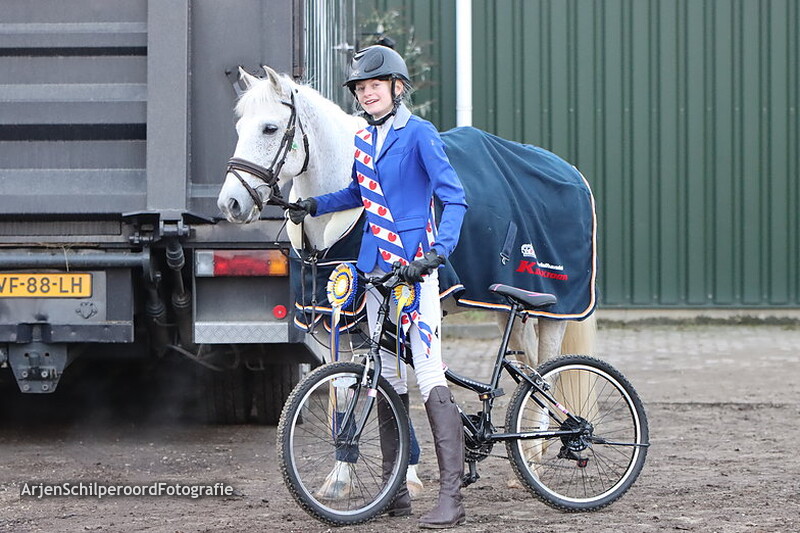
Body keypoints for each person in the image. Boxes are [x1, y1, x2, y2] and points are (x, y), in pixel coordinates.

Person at [287, 45, 468, 529]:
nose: (366, 93)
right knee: (385, 375)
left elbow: (454, 198)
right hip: (374, 271)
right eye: (360, 88)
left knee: (428, 372)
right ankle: (395, 490)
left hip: (413, 269)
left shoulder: (420, 135)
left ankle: (451, 496)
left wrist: (438, 252)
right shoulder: (364, 140)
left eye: (374, 85)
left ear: (396, 87)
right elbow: (358, 194)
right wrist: (314, 205)